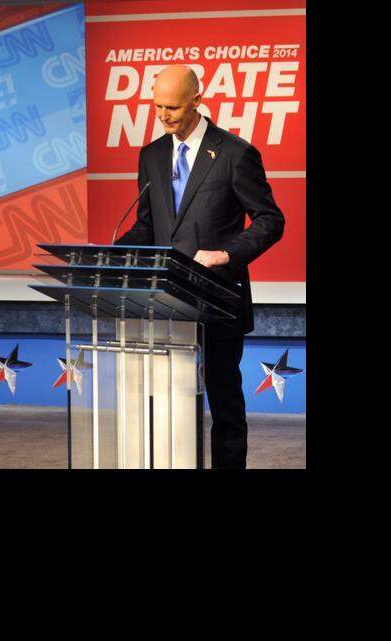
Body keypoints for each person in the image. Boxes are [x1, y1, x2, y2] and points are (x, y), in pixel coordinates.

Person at [115, 65, 285, 469]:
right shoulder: (152, 155)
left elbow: (270, 220)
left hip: (218, 300)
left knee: (224, 403)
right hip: (164, 303)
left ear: (197, 99)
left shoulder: (234, 153)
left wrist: (226, 254)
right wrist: (112, 253)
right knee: (169, 402)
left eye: (172, 106)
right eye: (157, 106)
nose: (163, 115)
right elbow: (148, 224)